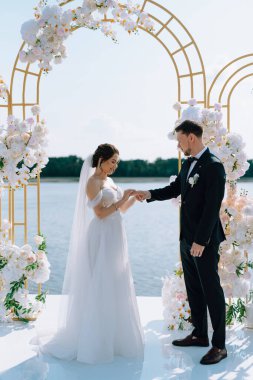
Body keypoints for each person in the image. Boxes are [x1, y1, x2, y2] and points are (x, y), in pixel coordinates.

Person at [34, 143, 144, 364]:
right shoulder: (92, 183)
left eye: (117, 163)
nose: (115, 166)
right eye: (112, 161)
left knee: (116, 278)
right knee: (100, 279)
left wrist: (132, 198)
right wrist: (122, 200)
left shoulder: (110, 181)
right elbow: (100, 213)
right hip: (101, 234)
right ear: (101, 160)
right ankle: (95, 339)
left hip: (116, 233)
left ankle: (115, 337)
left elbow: (119, 210)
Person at [135, 120, 227, 365]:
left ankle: (219, 345)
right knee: (194, 288)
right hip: (186, 238)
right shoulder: (188, 164)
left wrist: (201, 241)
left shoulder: (214, 166)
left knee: (212, 290)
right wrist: (150, 195)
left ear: (191, 137)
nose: (177, 145)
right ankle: (199, 334)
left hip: (203, 240)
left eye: (179, 139)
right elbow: (175, 188)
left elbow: (211, 208)